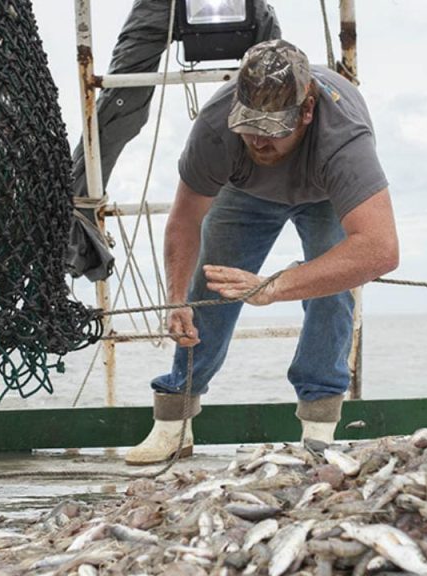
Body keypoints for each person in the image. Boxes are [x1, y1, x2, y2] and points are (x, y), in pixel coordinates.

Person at [125, 39, 398, 464]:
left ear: (306, 112)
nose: (258, 141)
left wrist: (276, 287)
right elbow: (184, 220)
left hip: (324, 194)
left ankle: (319, 429)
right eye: (248, 126)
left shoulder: (344, 140)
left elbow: (380, 249)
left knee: (331, 291)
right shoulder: (217, 128)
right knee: (210, 286)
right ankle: (173, 424)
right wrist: (175, 297)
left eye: (272, 130)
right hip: (245, 193)